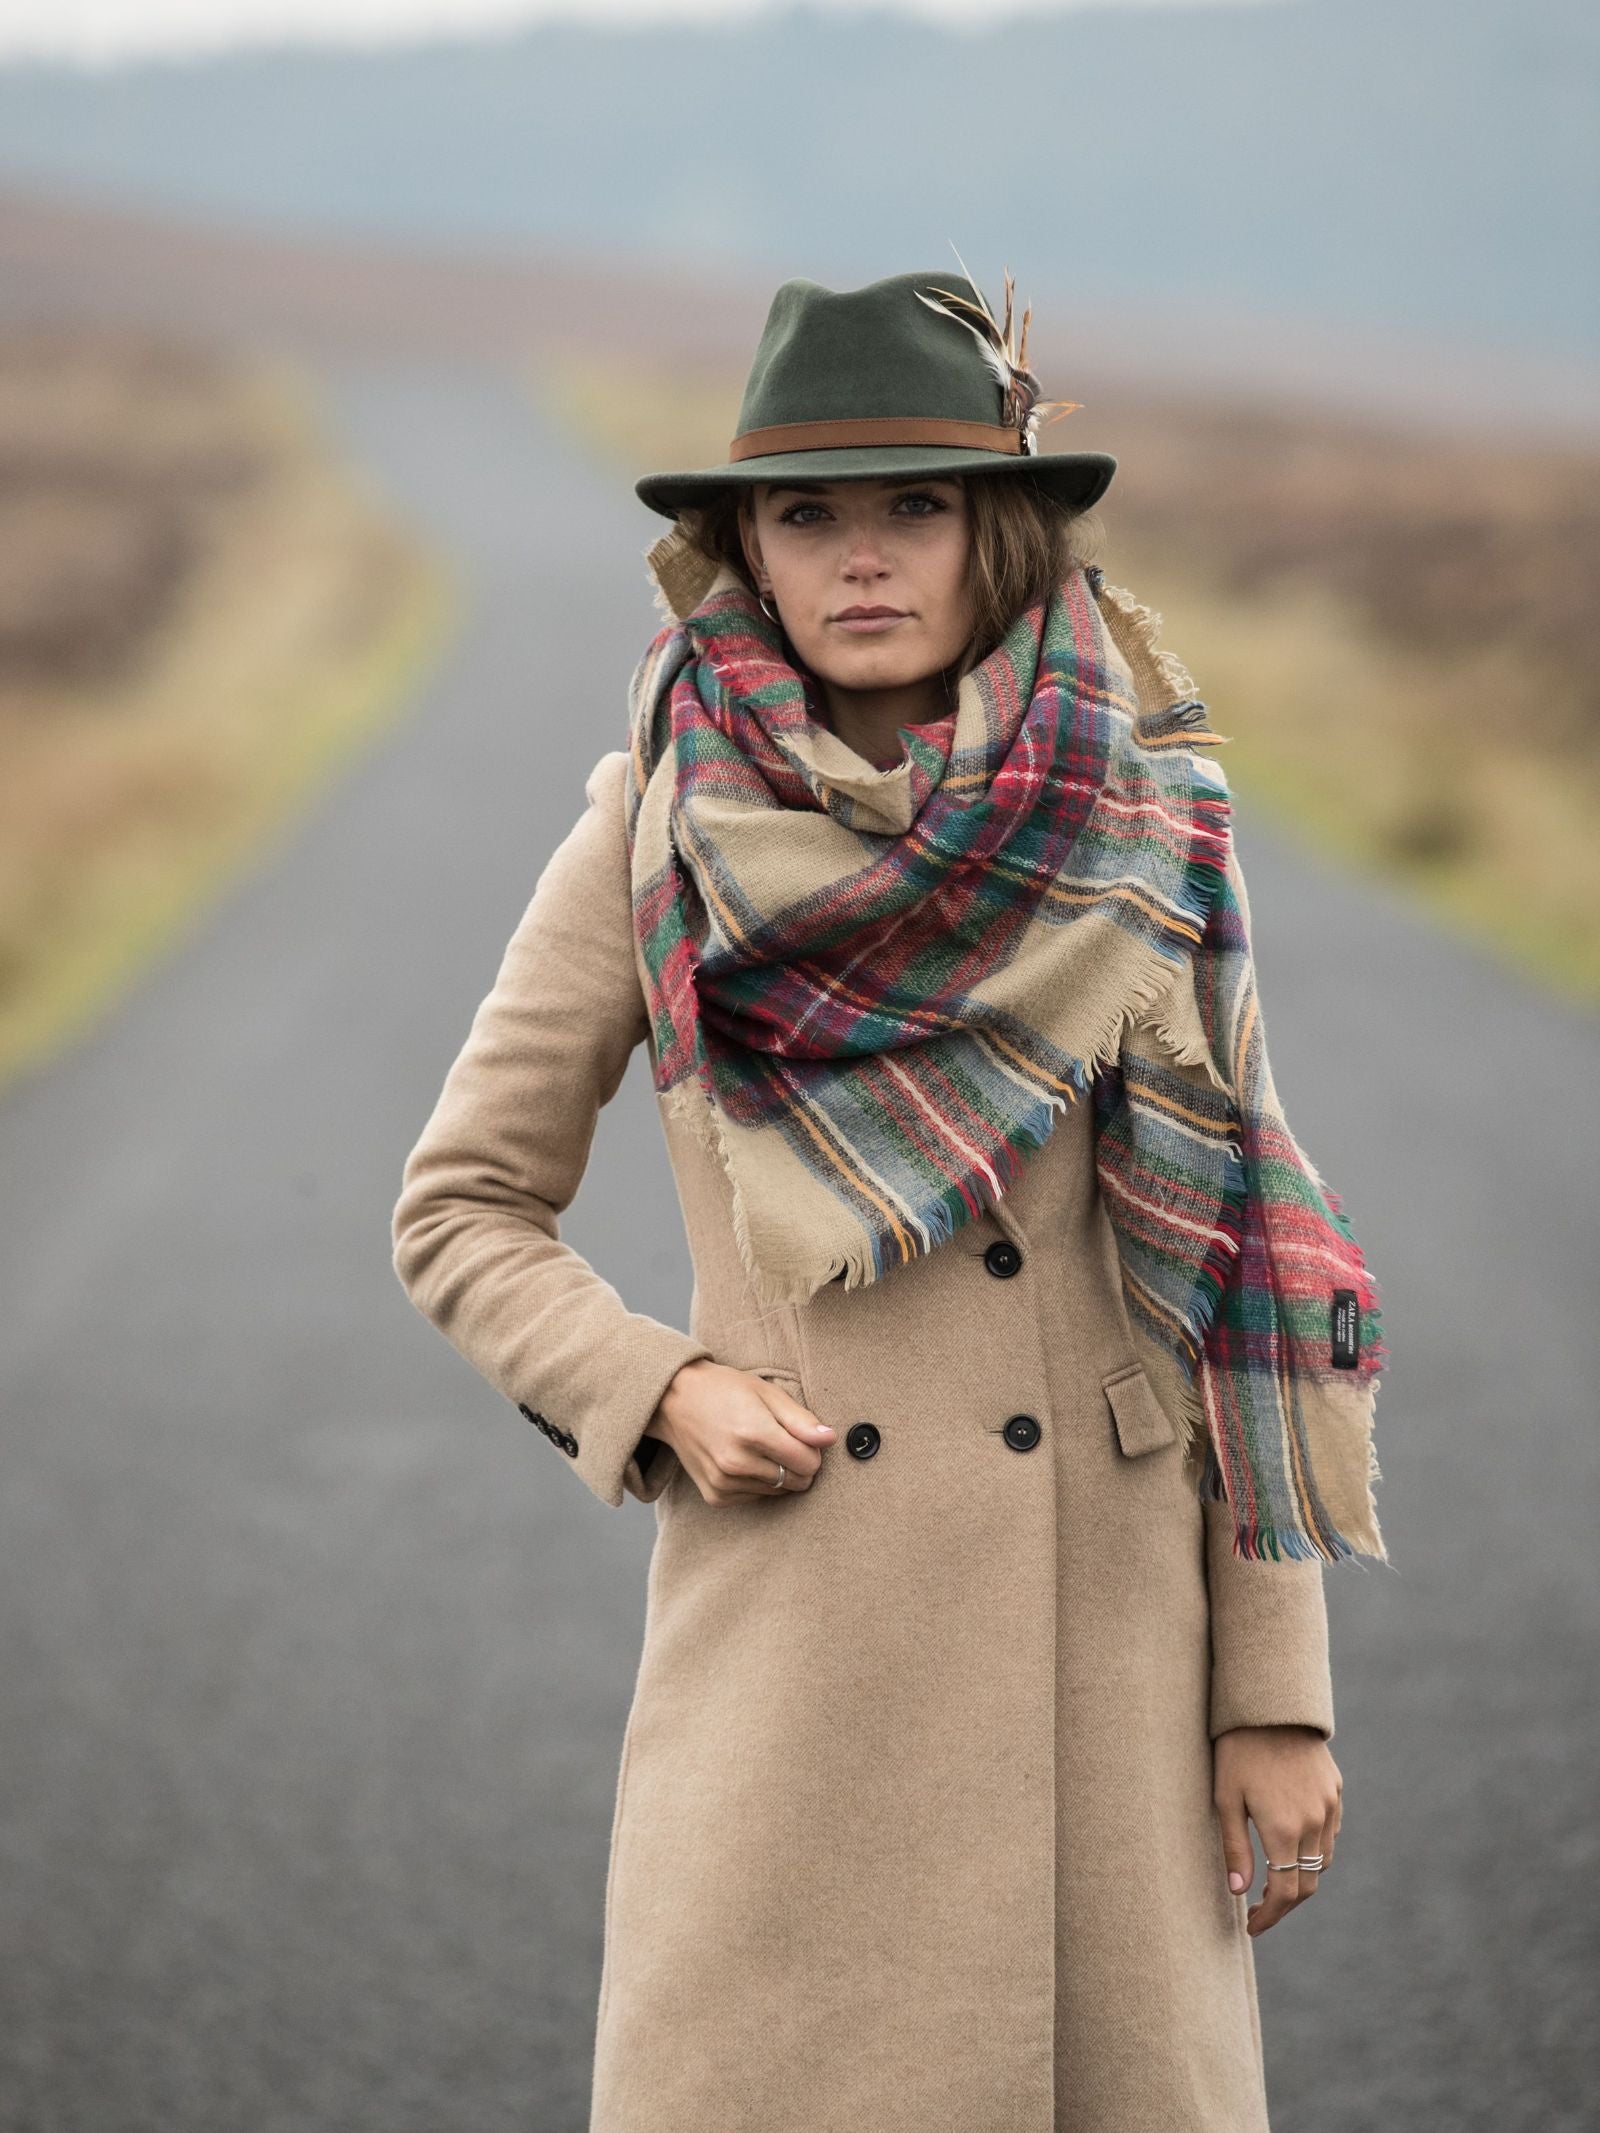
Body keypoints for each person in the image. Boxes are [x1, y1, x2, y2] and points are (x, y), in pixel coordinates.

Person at [391, 266, 1389, 2132]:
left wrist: (1277, 1687)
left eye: (912, 505)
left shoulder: (1141, 820)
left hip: (1106, 1668)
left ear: (993, 528)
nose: (861, 558)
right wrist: (657, 1386)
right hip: (801, 1674)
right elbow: (461, 1205)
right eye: (807, 512)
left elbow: (1238, 1268)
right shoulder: (653, 827)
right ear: (744, 549)